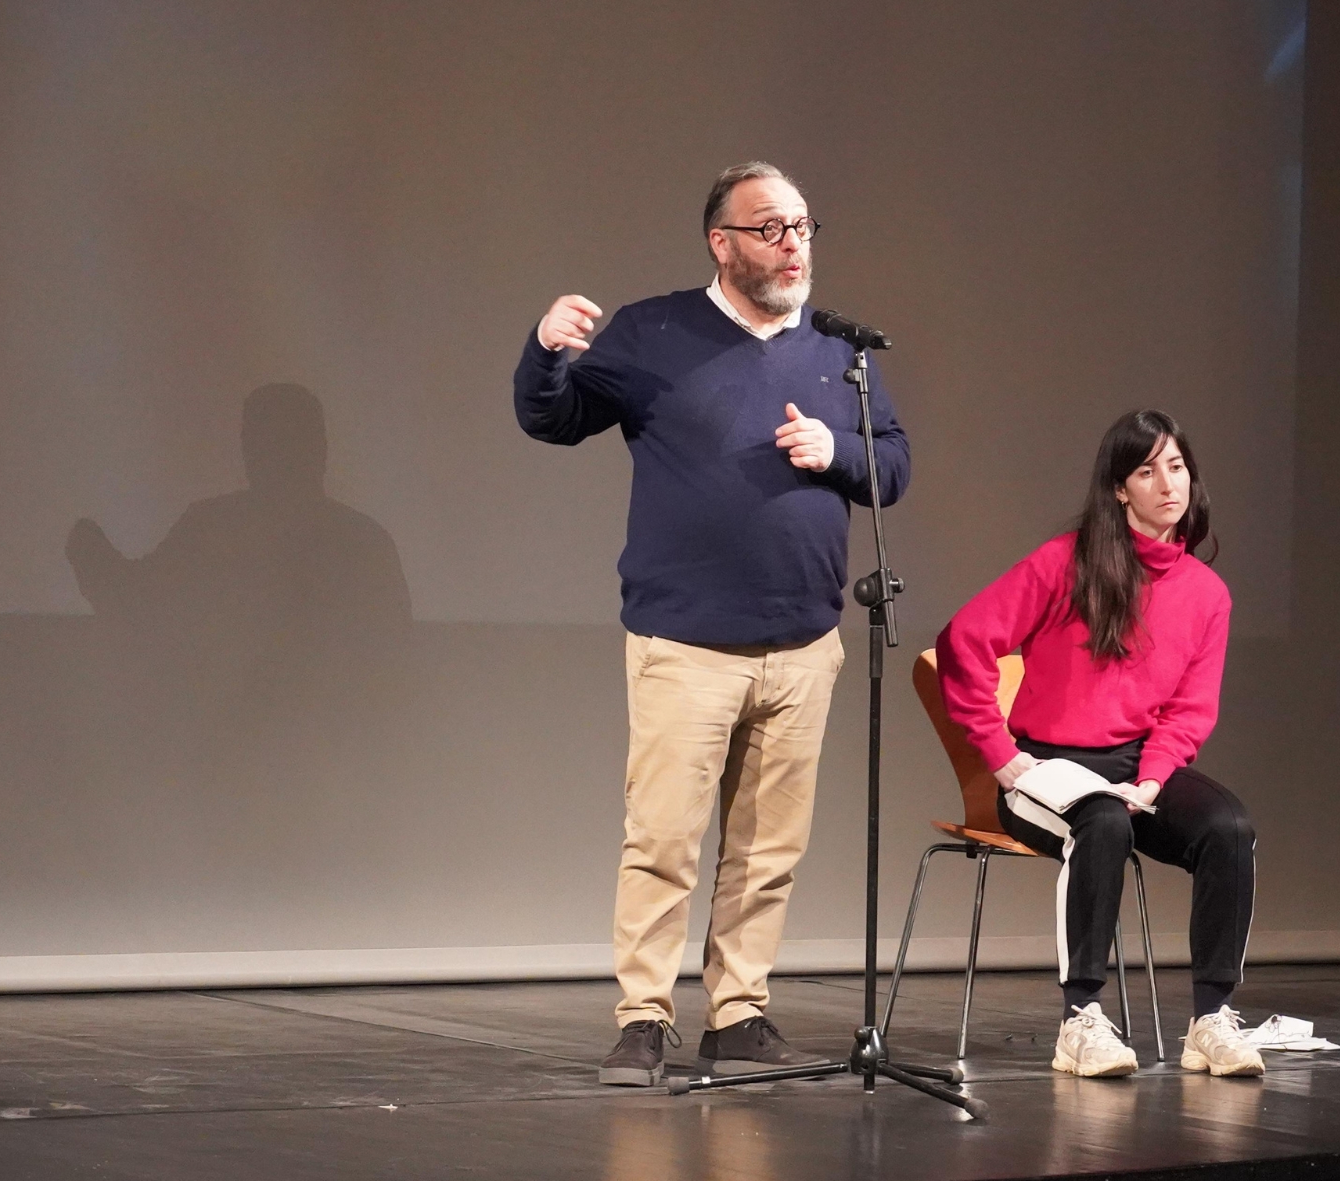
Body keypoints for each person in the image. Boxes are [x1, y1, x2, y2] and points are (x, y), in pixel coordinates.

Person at [513, 162, 911, 1087]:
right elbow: (553, 418)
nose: (792, 245)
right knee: (662, 843)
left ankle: (739, 1012)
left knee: (768, 850)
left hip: (805, 644)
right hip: (685, 644)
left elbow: (892, 463)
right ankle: (644, 1017)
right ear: (720, 242)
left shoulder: (838, 351)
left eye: (803, 226)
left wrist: (839, 450)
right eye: (769, 228)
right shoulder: (655, 332)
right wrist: (545, 350)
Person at [936, 410, 1260, 1079]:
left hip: (1136, 764)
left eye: (1176, 465)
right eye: (1147, 470)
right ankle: (1080, 1019)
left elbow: (1189, 710)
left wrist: (1153, 777)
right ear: (1120, 488)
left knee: (1228, 826)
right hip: (1046, 766)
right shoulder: (1066, 562)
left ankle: (1211, 1019)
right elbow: (962, 641)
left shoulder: (1206, 593)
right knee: (1101, 821)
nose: (1168, 483)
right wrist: (1001, 756)